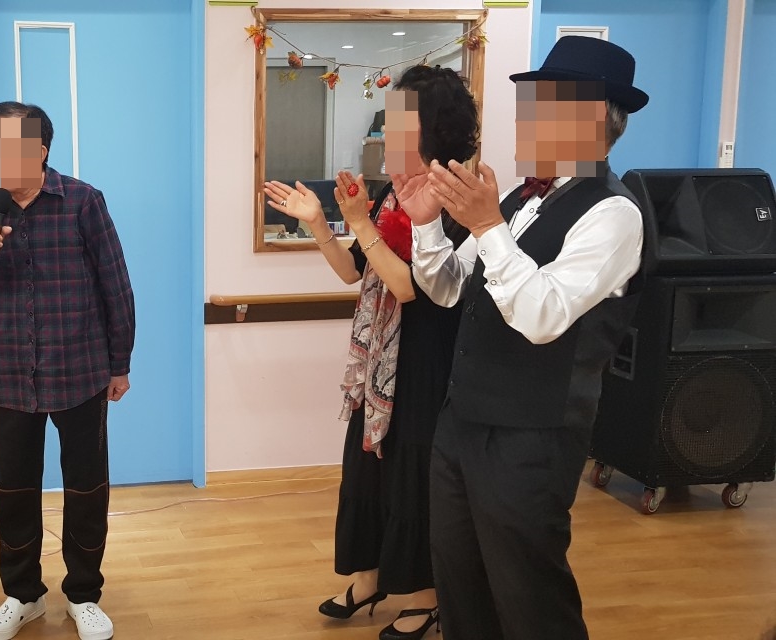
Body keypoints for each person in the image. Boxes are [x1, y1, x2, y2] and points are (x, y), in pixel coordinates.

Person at [404, 36, 648, 639]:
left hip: (532, 436)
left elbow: (544, 316)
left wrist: (488, 226)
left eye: (539, 108)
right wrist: (428, 227)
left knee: (529, 596)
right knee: (460, 584)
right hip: (463, 421)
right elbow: (450, 288)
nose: (521, 122)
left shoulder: (614, 213)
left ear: (589, 122)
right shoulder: (517, 198)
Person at [264, 65, 477, 640]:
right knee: (367, 466)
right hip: (379, 359)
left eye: (404, 120)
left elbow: (410, 288)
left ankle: (426, 596)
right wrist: (320, 223)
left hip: (427, 359)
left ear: (436, 127)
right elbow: (354, 272)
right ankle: (371, 577)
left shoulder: (456, 194)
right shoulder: (390, 190)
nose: (389, 131)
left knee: (413, 473)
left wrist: (360, 223)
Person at [0, 101, 135, 640]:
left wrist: (120, 362)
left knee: (86, 489)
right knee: (13, 491)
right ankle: (24, 595)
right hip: (7, 375)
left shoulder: (83, 202)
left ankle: (84, 595)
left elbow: (116, 284)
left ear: (39, 150)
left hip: (80, 370)